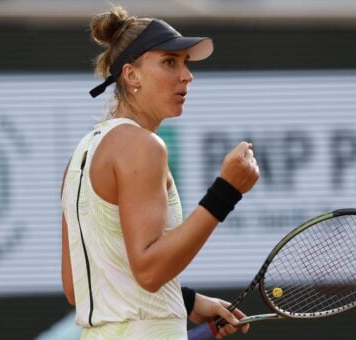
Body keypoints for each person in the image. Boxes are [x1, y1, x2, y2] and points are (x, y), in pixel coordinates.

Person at [60, 6, 259, 339]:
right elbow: (150, 271)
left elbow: (79, 287)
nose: (186, 75)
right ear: (131, 75)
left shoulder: (80, 155)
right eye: (170, 62)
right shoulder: (143, 146)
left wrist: (187, 301)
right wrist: (227, 190)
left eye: (185, 63)